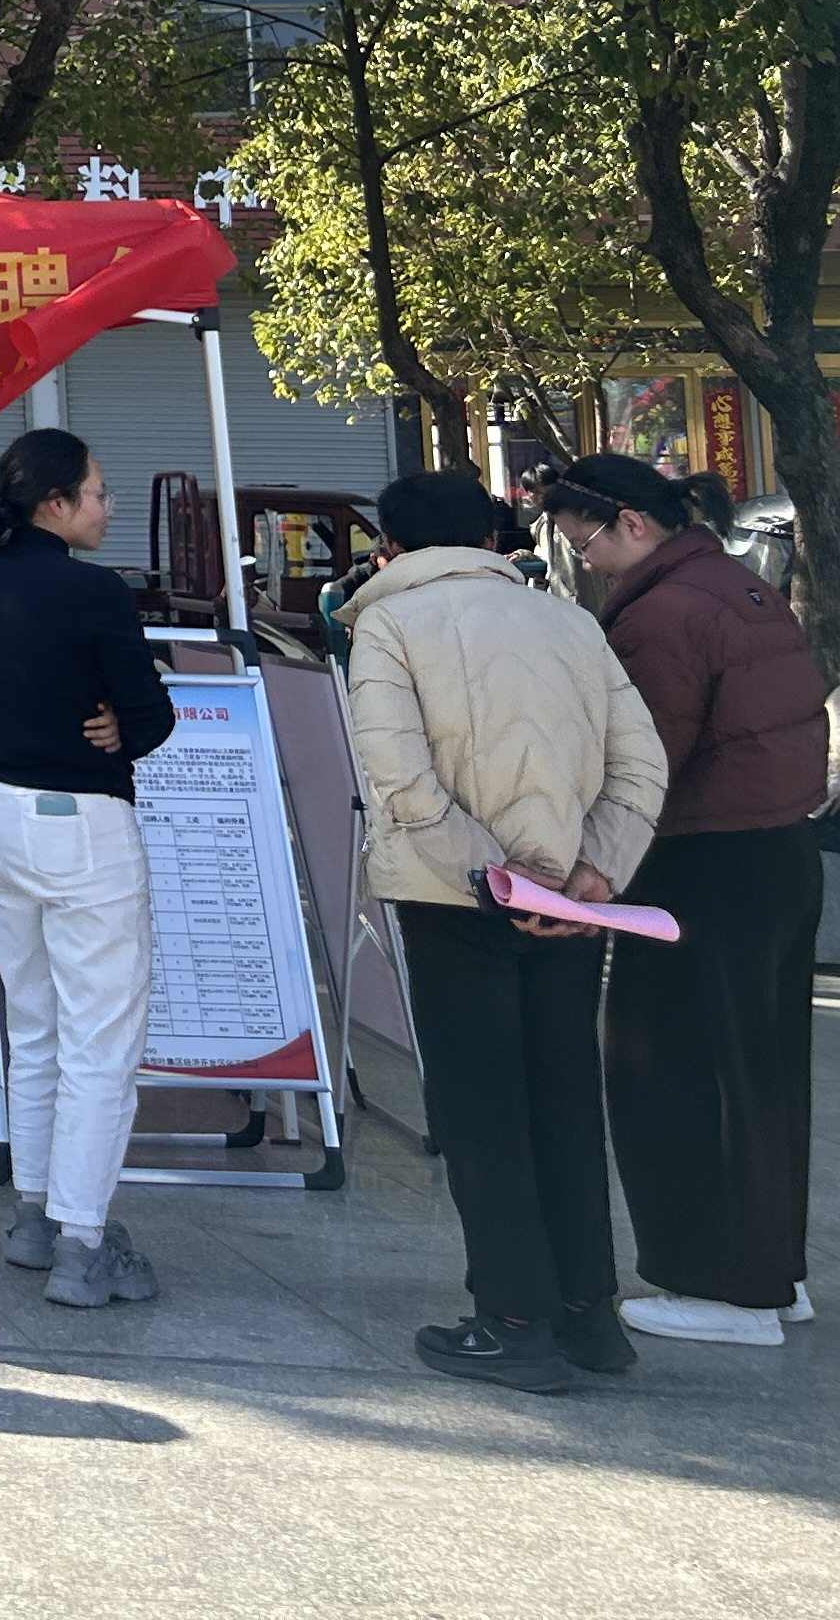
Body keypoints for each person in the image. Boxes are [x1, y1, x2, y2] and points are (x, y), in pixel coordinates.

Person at [342, 468, 668, 1386]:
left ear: (390, 548)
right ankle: (590, 1316)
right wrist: (592, 872)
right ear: (491, 542)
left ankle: (515, 1319)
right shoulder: (571, 621)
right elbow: (640, 765)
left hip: (456, 901)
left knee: (482, 1111)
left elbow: (401, 781)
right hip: (571, 900)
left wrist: (496, 877)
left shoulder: (387, 626)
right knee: (564, 1100)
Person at [539, 452, 833, 1347]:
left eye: (584, 541)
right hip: (778, 853)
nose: (584, 561)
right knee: (760, 1072)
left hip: (701, 863)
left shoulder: (663, 615)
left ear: (631, 524)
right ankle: (773, 1272)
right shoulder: (737, 585)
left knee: (674, 1069)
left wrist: (591, 864)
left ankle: (724, 1289)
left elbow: (643, 763)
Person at [0, 426, 175, 1308]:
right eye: (97, 492)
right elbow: (149, 718)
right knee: (100, 1040)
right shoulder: (95, 592)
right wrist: (118, 722)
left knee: (36, 1024)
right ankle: (83, 1241)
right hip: (81, 824)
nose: (107, 507)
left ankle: (34, 1217)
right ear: (56, 502)